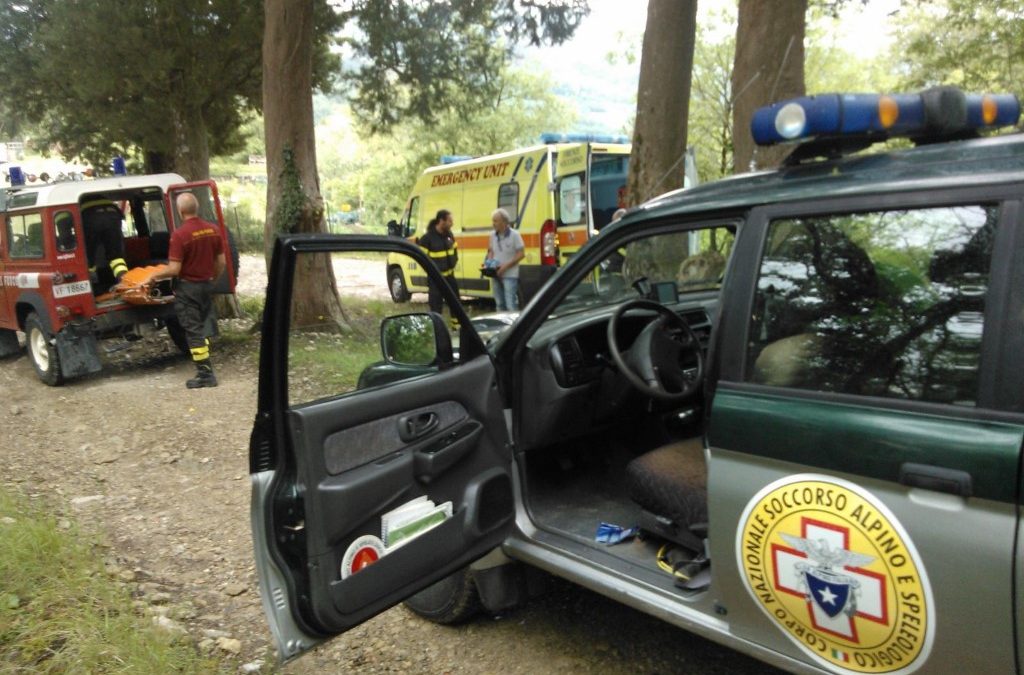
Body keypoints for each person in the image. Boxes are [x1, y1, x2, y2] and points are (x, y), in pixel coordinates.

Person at [145, 193, 226, 389]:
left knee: (193, 331)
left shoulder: (180, 235)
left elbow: (174, 269)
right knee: (201, 328)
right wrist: (213, 279)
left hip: (188, 288)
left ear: (180, 211)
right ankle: (205, 367)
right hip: (207, 285)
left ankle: (205, 374)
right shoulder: (213, 230)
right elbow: (221, 262)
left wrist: (153, 277)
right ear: (196, 208)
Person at [417, 209, 459, 317]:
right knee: (436, 306)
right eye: (450, 221)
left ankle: (457, 328)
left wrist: (454, 262)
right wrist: (433, 272)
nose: (452, 223)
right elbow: (421, 259)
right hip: (435, 279)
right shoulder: (427, 238)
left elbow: (454, 252)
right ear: (441, 221)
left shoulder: (449, 235)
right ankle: (438, 329)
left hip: (450, 277)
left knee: (456, 304)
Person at [81, 195, 128, 290]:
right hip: (113, 213)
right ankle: (126, 284)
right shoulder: (100, 197)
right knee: (116, 257)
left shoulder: (76, 199)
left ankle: (93, 287)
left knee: (89, 255)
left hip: (91, 216)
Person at [485, 208, 525, 311]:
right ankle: (502, 326)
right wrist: (489, 264)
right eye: (493, 221)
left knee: (510, 304)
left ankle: (514, 326)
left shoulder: (515, 235)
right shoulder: (492, 235)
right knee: (499, 304)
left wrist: (505, 267)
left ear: (504, 221)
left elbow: (521, 254)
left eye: (495, 221)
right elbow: (491, 251)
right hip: (496, 274)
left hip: (510, 275)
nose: (493, 224)